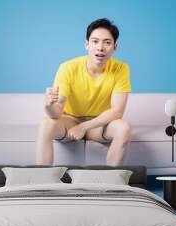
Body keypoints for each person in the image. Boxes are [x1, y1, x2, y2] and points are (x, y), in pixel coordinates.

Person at [36, 18, 132, 166]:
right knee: (46, 124)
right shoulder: (68, 67)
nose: (100, 47)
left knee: (123, 127)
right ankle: (42, 181)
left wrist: (84, 127)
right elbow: (56, 112)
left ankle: (111, 182)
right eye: (95, 41)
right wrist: (48, 106)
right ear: (86, 45)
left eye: (107, 42)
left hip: (99, 124)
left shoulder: (121, 69)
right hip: (70, 121)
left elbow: (117, 111)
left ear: (115, 47)